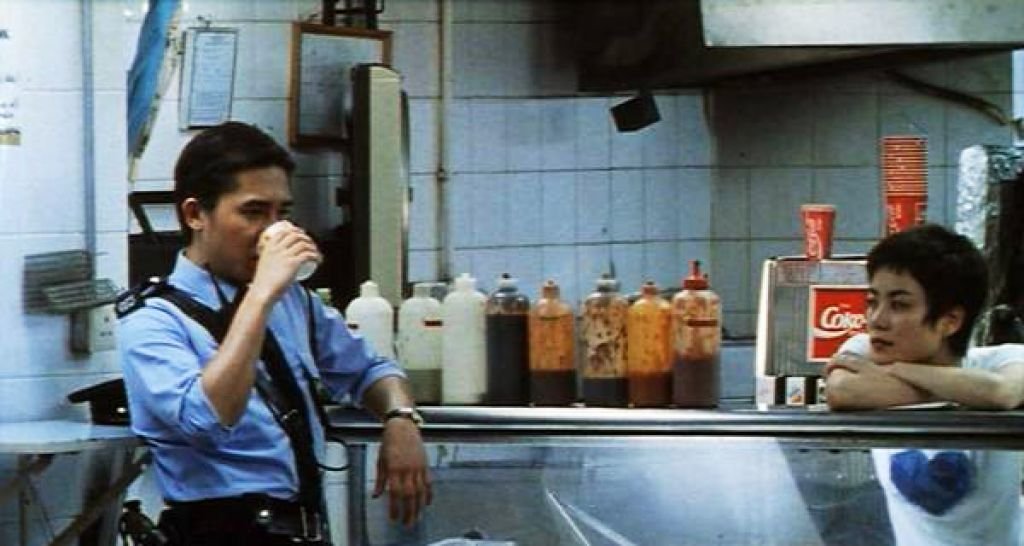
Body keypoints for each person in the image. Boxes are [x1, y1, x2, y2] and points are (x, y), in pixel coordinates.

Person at [118, 121, 430, 546]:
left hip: (301, 524)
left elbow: (369, 369)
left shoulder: (292, 302)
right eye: (252, 212)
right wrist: (261, 294)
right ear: (195, 215)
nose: (270, 230)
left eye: (280, 214)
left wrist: (400, 418)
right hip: (219, 530)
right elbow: (206, 420)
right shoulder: (153, 320)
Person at [824, 223, 1024, 545]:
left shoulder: (1005, 359)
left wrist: (897, 370)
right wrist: (968, 393)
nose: (876, 320)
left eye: (899, 305)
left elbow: (1002, 392)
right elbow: (842, 391)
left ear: (950, 321)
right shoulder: (864, 347)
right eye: (872, 301)